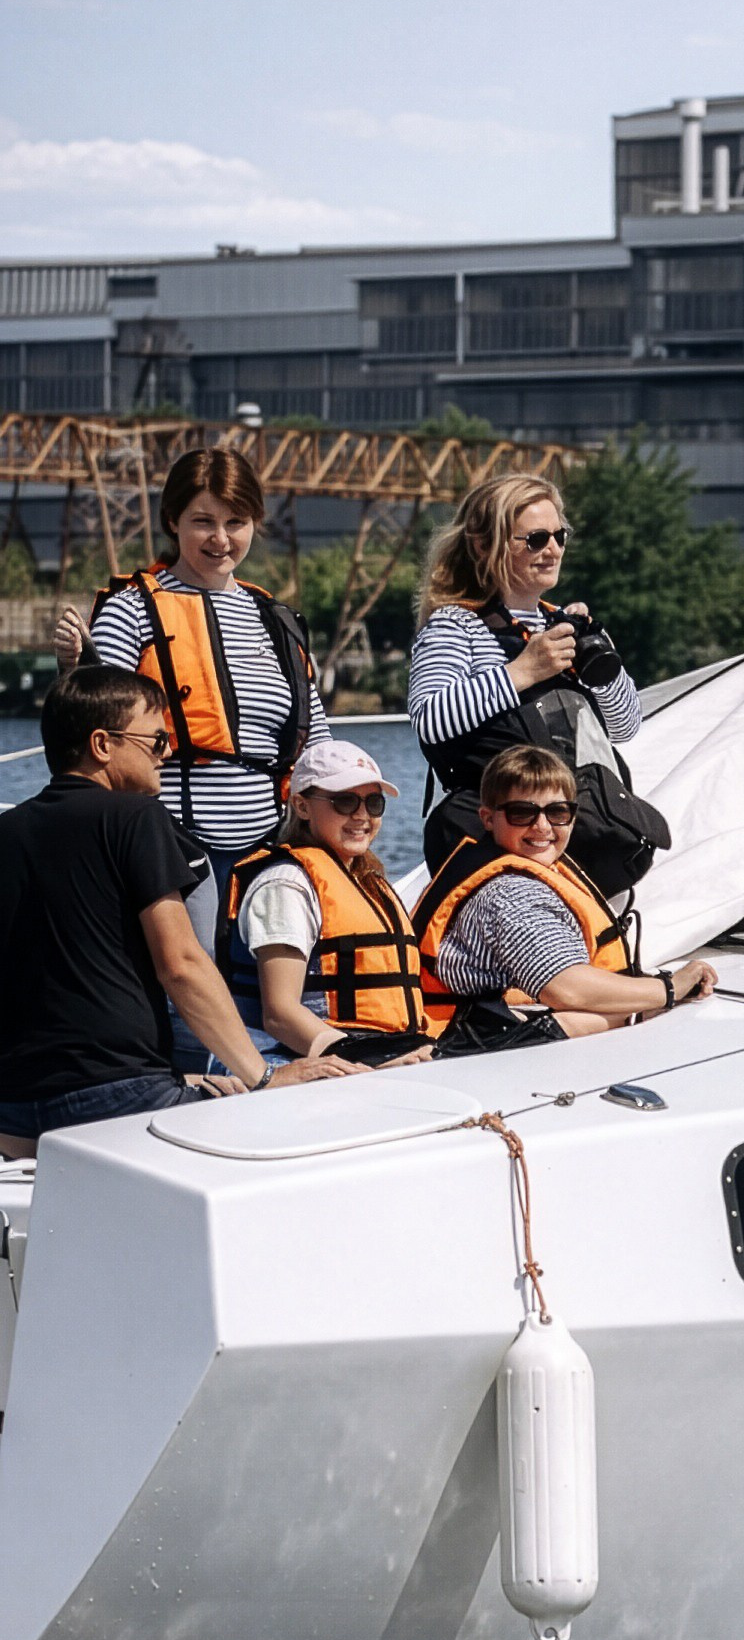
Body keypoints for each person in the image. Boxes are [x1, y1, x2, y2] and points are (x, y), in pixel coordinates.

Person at [0, 668, 355, 1152]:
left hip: (16, 1110)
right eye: (157, 739)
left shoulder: (9, 832)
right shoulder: (136, 818)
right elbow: (181, 965)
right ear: (102, 745)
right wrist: (262, 1078)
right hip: (117, 1099)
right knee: (310, 1121)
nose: (168, 753)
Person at [60, 446, 325, 939]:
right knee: (190, 991)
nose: (221, 539)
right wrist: (71, 670)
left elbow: (318, 735)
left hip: (268, 845)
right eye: (203, 521)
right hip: (173, 842)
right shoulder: (133, 610)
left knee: (257, 995)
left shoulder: (276, 619)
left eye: (236, 522)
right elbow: (91, 723)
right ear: (172, 520)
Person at [408, 471, 666, 896]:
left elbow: (625, 726)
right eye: (534, 539)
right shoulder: (455, 625)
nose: (552, 550)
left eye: (559, 537)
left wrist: (601, 664)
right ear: (482, 544)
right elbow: (430, 720)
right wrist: (523, 671)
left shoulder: (565, 624)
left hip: (579, 838)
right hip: (502, 843)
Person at [414, 744, 716, 1044]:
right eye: (522, 813)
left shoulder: (521, 869)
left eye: (558, 812)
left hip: (486, 1028)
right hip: (468, 1046)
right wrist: (669, 989)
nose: (542, 826)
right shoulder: (509, 892)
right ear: (488, 818)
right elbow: (564, 986)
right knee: (616, 1017)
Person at [215, 739, 429, 1064]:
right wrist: (369, 1060)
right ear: (301, 806)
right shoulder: (285, 885)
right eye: (344, 802)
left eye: (373, 803)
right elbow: (280, 1013)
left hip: (374, 1053)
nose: (361, 816)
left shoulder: (367, 880)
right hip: (299, 1060)